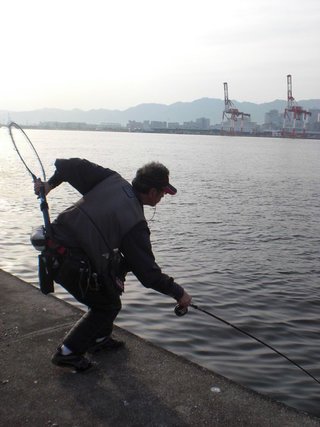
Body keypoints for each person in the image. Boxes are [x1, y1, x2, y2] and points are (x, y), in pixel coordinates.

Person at [34, 158, 192, 371]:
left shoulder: (111, 179)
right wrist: (179, 293)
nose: (163, 197)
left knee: (110, 286)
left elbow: (68, 166)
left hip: (55, 245)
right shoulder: (135, 223)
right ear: (153, 192)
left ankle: (99, 339)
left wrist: (48, 185)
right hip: (67, 259)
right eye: (163, 193)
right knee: (107, 306)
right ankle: (68, 352)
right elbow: (148, 274)